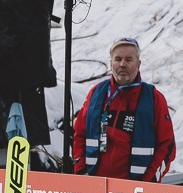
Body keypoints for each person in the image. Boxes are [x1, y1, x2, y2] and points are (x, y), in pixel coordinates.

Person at [72, 38, 175, 182]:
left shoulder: (154, 99)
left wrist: (148, 182)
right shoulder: (96, 93)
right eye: (118, 59)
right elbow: (79, 134)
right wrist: (81, 171)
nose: (122, 64)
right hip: (95, 186)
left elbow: (167, 146)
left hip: (134, 189)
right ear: (111, 63)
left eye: (128, 59)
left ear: (138, 64)